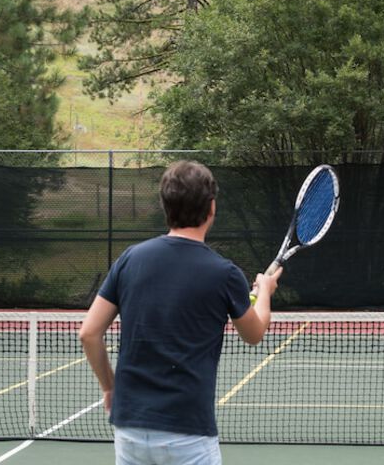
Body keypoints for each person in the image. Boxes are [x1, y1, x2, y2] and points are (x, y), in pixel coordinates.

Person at [79, 160, 282, 465]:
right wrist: (264, 292)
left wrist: (110, 387)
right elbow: (254, 334)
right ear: (211, 208)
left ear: (165, 205)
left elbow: (89, 333)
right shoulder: (224, 273)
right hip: (188, 433)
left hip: (130, 428)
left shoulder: (130, 259)